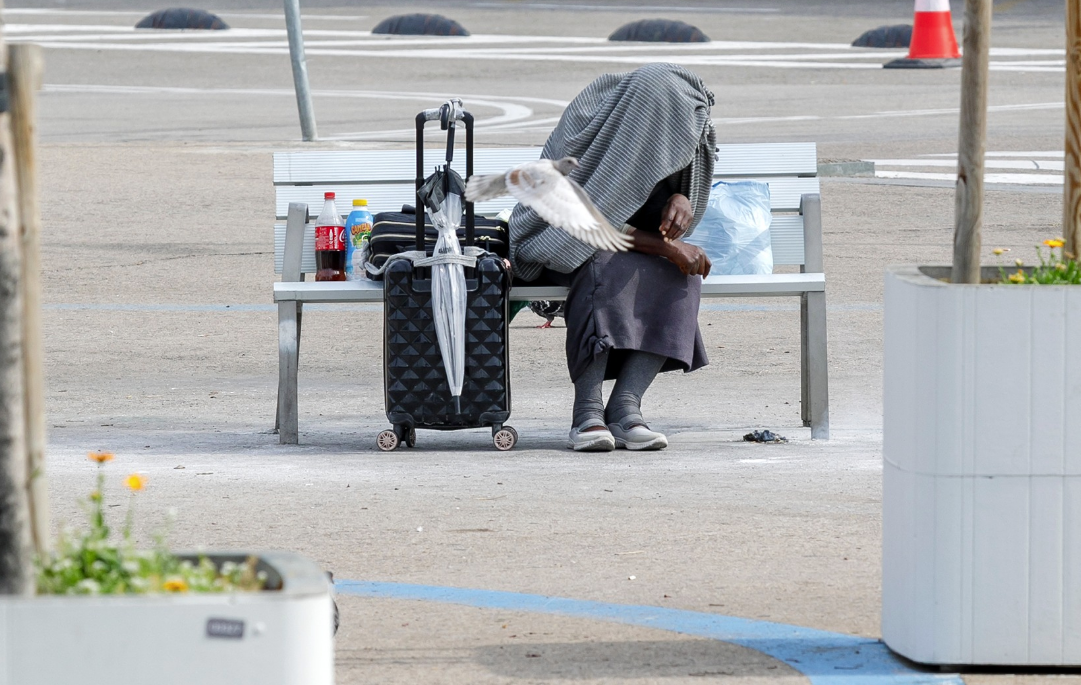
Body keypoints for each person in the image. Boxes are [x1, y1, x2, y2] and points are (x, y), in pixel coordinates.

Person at [508, 63, 716, 452]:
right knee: (602, 266)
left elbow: (671, 185)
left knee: (682, 274)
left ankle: (625, 408)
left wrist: (681, 197)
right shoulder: (596, 125)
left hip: (634, 242)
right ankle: (586, 412)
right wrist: (667, 247)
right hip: (562, 242)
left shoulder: (674, 122)